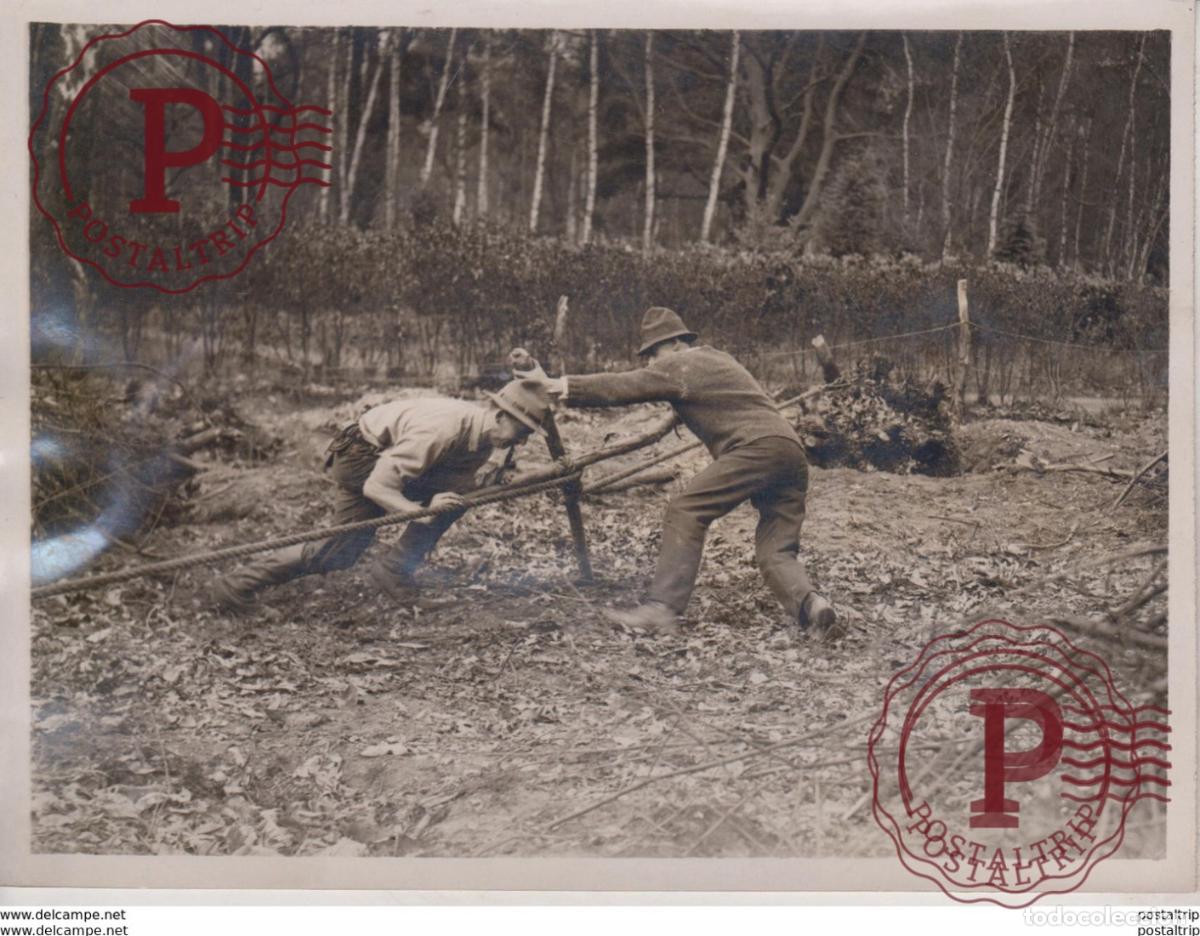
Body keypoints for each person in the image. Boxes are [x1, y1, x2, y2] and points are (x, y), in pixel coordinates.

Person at [522, 307, 840, 640]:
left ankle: (661, 609)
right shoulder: (720, 360)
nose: (650, 363)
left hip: (755, 447)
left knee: (686, 509)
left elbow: (625, 385)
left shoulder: (680, 364)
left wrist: (560, 386)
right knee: (775, 549)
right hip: (790, 452)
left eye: (652, 353)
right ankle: (812, 604)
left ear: (674, 344)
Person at [211, 379, 552, 613]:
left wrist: (511, 480)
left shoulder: (483, 437)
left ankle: (393, 570)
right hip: (361, 458)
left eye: (526, 436)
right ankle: (234, 586)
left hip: (386, 458)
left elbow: (463, 484)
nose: (520, 442)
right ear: (500, 415)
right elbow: (378, 486)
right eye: (520, 432)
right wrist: (420, 511)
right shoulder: (442, 430)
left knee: (451, 501)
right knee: (337, 554)